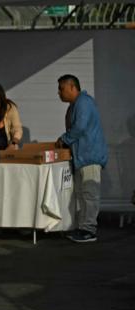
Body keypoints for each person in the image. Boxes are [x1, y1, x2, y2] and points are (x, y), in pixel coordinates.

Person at [56, 74, 108, 243]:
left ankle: (89, 229)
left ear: (72, 87)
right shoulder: (75, 105)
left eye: (61, 88)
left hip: (89, 156)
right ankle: (83, 227)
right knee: (82, 194)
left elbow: (80, 127)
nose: (59, 92)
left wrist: (64, 139)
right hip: (82, 157)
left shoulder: (83, 102)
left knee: (89, 194)